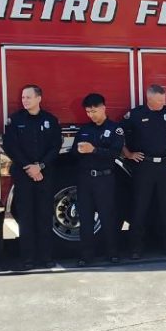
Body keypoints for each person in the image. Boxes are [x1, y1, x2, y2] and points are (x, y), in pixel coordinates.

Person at [121, 85, 166, 259]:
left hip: (165, 166)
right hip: (144, 166)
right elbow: (118, 133)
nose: (162, 103)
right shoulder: (135, 115)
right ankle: (135, 247)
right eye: (159, 101)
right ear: (149, 99)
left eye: (164, 100)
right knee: (140, 207)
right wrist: (128, 153)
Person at [2, 84, 62, 269]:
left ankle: (46, 257)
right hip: (23, 174)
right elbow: (11, 146)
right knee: (26, 217)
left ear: (39, 98)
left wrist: (40, 166)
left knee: (44, 215)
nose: (24, 100)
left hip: (45, 173)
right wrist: (29, 167)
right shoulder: (15, 120)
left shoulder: (51, 120)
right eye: (22, 97)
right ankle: (27, 258)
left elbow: (55, 146)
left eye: (28, 97)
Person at [72, 93, 124, 266]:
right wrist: (79, 150)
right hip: (85, 179)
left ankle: (113, 253)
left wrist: (93, 150)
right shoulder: (84, 130)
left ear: (103, 108)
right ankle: (86, 255)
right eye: (88, 112)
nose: (91, 115)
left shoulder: (115, 129)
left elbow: (115, 153)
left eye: (94, 111)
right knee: (85, 218)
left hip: (105, 179)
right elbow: (73, 152)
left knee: (108, 217)